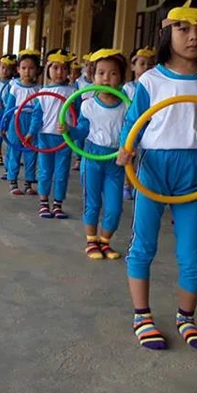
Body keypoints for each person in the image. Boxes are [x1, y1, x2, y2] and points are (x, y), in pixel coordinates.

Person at [116, 0, 197, 351]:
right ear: (166, 31)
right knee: (144, 244)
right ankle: (142, 315)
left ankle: (186, 317)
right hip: (155, 168)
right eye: (183, 28)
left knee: (193, 251)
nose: (194, 36)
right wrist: (126, 148)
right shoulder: (151, 81)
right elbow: (134, 124)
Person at [63, 50, 129, 258]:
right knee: (92, 202)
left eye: (113, 74)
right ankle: (91, 241)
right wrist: (69, 130)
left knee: (114, 207)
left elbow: (132, 131)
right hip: (92, 157)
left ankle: (105, 241)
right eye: (101, 73)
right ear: (92, 76)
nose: (106, 79)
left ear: (121, 78)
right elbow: (82, 131)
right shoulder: (88, 105)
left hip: (115, 161)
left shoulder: (127, 105)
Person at [28, 49, 76, 219]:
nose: (59, 72)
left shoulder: (73, 92)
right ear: (48, 69)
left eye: (63, 68)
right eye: (55, 68)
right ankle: (43, 202)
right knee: (45, 171)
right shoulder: (41, 92)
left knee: (62, 172)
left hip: (64, 138)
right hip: (45, 136)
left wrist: (75, 132)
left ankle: (57, 204)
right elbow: (37, 116)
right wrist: (31, 133)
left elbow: (78, 115)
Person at [0, 49, 41, 195]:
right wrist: (3, 125)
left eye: (31, 68)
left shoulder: (39, 89)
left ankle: (29, 183)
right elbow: (9, 108)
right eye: (24, 68)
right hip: (15, 121)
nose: (27, 71)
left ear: (37, 70)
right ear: (18, 69)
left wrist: (34, 129)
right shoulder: (15, 87)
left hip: (32, 122)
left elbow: (39, 111)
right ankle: (13, 181)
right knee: (14, 150)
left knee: (31, 151)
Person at [122, 47, 156, 201]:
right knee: (130, 156)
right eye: (142, 64)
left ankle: (141, 185)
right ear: (133, 66)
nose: (146, 67)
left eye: (150, 64)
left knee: (147, 158)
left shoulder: (155, 86)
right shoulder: (127, 88)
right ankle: (127, 184)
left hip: (150, 126)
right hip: (134, 126)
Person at [0, 54, 16, 168]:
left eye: (8, 69)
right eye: (3, 68)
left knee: (11, 132)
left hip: (9, 110)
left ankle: (12, 155)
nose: (5, 71)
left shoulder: (13, 82)